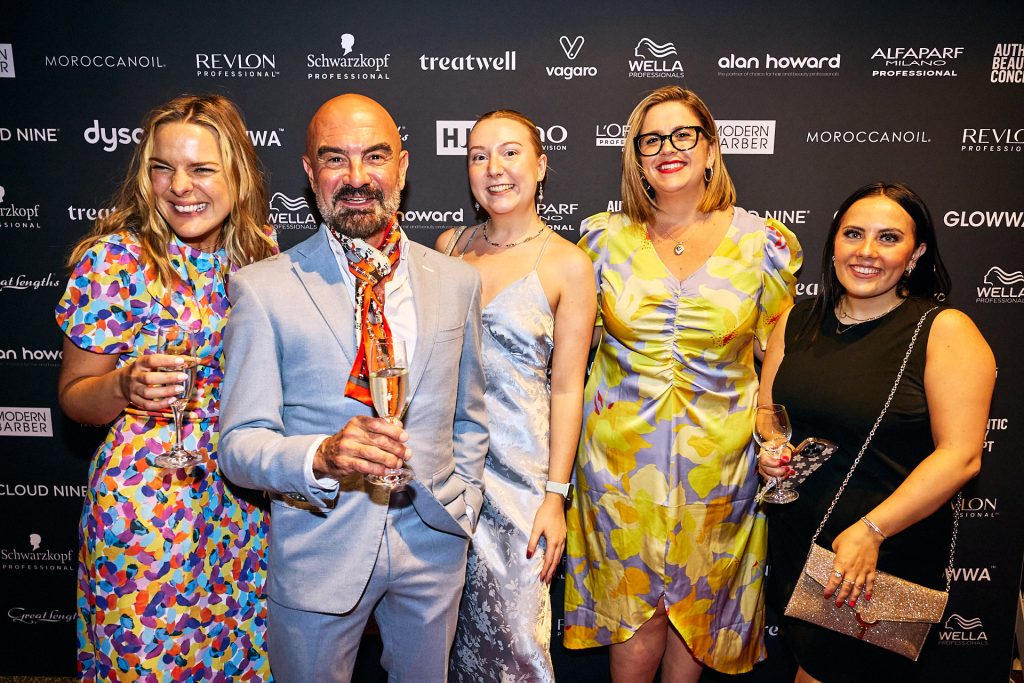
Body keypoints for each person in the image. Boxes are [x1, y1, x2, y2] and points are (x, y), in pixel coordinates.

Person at [217, 93, 488, 682]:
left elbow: (470, 416)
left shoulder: (457, 281)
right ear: (310, 172)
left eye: (376, 156)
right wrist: (322, 454)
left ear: (403, 167)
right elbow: (239, 442)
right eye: (335, 159)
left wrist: (461, 501)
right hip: (319, 546)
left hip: (433, 543)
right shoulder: (263, 289)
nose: (358, 177)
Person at [563, 85, 803, 682]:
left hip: (720, 465)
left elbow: (776, 347)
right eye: (652, 139)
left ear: (711, 148)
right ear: (636, 156)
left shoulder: (762, 244)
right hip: (619, 468)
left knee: (697, 617)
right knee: (634, 620)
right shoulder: (599, 242)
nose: (667, 149)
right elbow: (569, 354)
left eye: (683, 135)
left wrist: (770, 432)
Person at [54, 94, 278, 680]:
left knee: (243, 659)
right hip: (145, 509)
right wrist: (123, 385)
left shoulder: (261, 256)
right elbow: (75, 397)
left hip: (243, 503)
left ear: (237, 173)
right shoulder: (113, 262)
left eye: (201, 168)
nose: (179, 186)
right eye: (162, 167)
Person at [758, 182, 995, 683]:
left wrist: (873, 531)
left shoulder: (943, 330)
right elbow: (767, 410)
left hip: (881, 553)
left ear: (916, 253)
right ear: (834, 243)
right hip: (798, 540)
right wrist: (774, 448)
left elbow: (961, 456)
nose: (866, 252)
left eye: (888, 238)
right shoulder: (797, 321)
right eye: (853, 234)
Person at [437, 110, 596, 681]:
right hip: (447, 479)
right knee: (446, 643)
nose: (494, 168)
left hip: (522, 487)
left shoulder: (568, 264)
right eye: (479, 155)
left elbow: (567, 387)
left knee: (517, 648)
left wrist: (555, 495)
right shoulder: (449, 246)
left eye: (510, 152)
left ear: (541, 165)